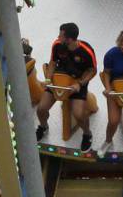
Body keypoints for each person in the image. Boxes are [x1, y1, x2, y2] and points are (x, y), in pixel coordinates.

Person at [36, 22, 97, 151]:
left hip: (77, 82)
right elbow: (53, 62)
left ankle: (87, 134)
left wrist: (80, 84)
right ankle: (43, 126)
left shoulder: (87, 51)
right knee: (41, 109)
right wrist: (48, 79)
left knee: (79, 114)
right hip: (58, 80)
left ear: (69, 39)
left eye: (61, 35)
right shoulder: (57, 45)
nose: (58, 37)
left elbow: (92, 71)